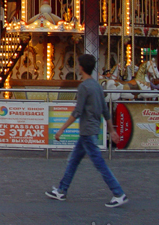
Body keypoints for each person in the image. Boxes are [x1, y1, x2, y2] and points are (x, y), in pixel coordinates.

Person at [45, 54, 128, 208]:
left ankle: (118, 192)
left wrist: (61, 129)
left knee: (99, 163)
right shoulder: (96, 86)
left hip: (87, 131)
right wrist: (111, 130)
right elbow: (105, 110)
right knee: (74, 160)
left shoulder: (84, 87)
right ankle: (62, 190)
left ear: (81, 67)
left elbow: (77, 111)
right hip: (91, 130)